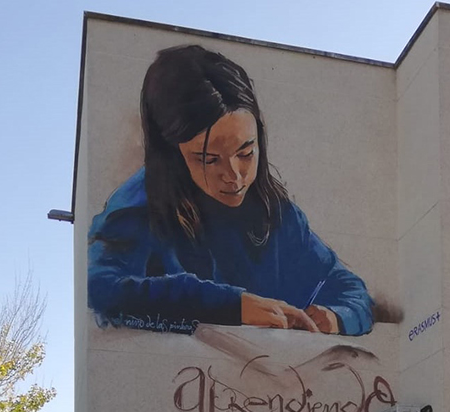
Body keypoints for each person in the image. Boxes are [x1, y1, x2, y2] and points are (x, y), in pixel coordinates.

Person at [87, 44, 375, 337]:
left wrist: (335, 317)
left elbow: (349, 290)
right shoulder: (137, 207)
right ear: (172, 154)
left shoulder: (275, 213)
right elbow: (101, 290)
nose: (234, 176)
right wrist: (231, 306)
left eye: (246, 153)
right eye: (209, 160)